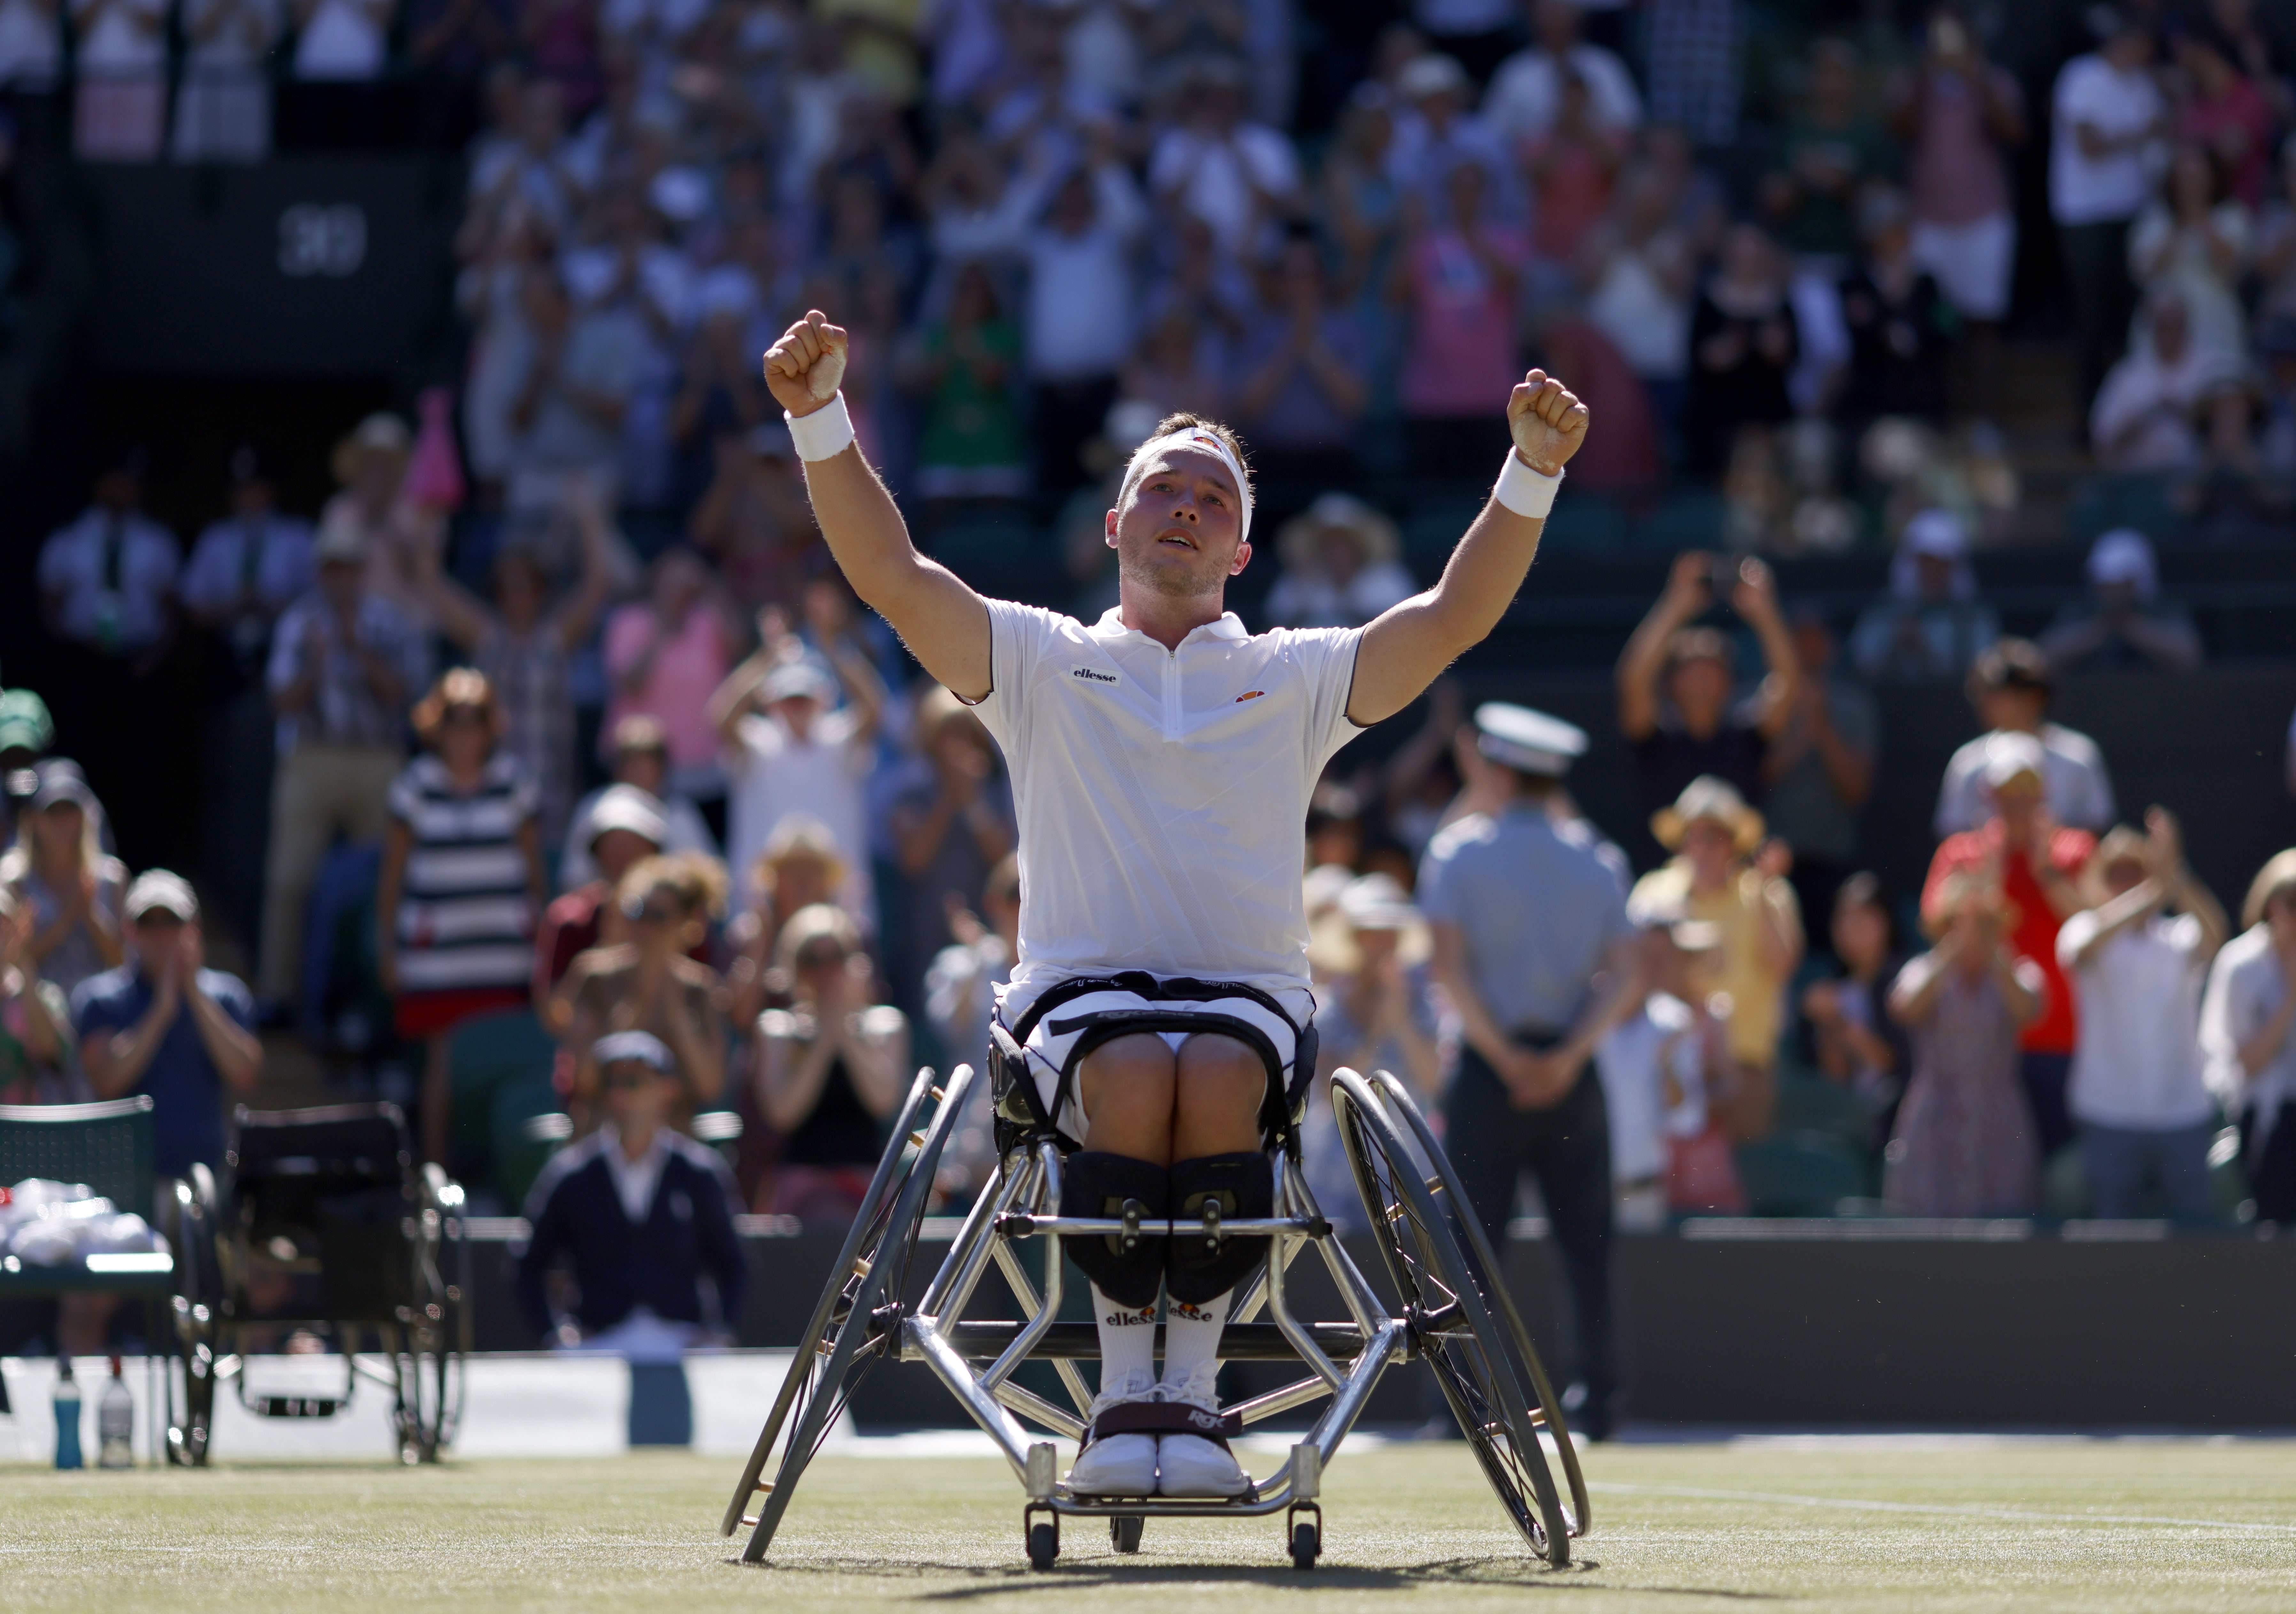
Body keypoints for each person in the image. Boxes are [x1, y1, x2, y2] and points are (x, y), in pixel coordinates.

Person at [760, 301, 1590, 1492]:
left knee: (1200, 1068)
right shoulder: (1039, 659)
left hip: (1250, 1008)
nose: (1187, 505)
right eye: (1163, 488)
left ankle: (1187, 1402)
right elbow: (892, 577)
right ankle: (1125, 1401)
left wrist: (1533, 471)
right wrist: (819, 416)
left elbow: (1452, 619)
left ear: (1243, 552)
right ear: (1113, 525)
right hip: (1070, 1008)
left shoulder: (1292, 675)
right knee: (1144, 1067)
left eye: (1213, 497)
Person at [1419, 704, 1639, 1438]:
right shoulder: (1599, 859)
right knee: (1587, 1247)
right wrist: (1568, 1056)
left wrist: (1506, 1057)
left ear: (1501, 769)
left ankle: (1466, 1408)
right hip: (1570, 1071)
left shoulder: (1457, 854)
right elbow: (1624, 975)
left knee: (1471, 1246)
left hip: (1490, 1070)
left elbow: (1448, 970)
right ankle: (1598, 1403)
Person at [378, 669, 547, 1165]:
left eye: (475, 720)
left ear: (491, 725)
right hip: (439, 959)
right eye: (454, 719)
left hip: (504, 954)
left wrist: (542, 945)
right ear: (438, 724)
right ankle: (437, 1174)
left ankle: (494, 1168)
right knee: (442, 1068)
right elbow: (391, 880)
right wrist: (388, 949)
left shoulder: (517, 784)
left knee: (501, 1061)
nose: (464, 731)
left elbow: (536, 873)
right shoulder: (414, 787)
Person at [261, 518, 429, 1010]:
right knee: (290, 878)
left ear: (363, 571)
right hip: (312, 757)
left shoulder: (390, 622)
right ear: (320, 572)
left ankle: (372, 995)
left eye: (350, 567)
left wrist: (358, 649)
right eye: (332, 568)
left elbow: (408, 696)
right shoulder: (298, 623)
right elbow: (281, 701)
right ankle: (278, 990)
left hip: (379, 759)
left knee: (383, 880)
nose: (342, 578)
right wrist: (318, 662)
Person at [515, 1029, 749, 1353]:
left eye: (635, 1083)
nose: (623, 1096)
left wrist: (719, 1332)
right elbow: (526, 1265)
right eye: (615, 1084)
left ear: (667, 1090)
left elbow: (735, 1265)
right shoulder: (572, 1174)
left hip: (681, 1346)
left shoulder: (699, 1173)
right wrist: (556, 1337)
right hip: (600, 1346)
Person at [1923, 732, 2096, 1161]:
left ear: (2045, 792)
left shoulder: (2075, 850)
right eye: (2007, 792)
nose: (2017, 802)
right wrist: (1991, 872)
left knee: (2059, 1169)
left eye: (2027, 790)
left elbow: (2095, 929)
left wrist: (2048, 873)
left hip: (2061, 1040)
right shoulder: (1961, 854)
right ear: (1987, 795)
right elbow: (1938, 927)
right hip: (1984, 1046)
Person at [416, 489, 613, 849]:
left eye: (524, 586)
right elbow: (432, 585)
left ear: (540, 591)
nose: (516, 595)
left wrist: (588, 520)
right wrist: (434, 528)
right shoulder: (488, 639)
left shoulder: (554, 639)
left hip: (551, 792)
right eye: (507, 587)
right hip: (494, 793)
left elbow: (597, 584)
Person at [2059, 813, 2229, 1220]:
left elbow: (2216, 936)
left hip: (2182, 1114)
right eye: (2115, 873)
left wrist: (2177, 875)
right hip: (2108, 1115)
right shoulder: (2085, 930)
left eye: (2136, 872)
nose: (2126, 881)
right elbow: (2078, 951)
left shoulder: (2178, 935)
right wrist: (2156, 887)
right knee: (2115, 1247)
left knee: (2193, 1242)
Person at [1629, 776, 1803, 1142]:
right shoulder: (1653, 892)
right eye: (1694, 836)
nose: (1703, 847)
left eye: (1716, 836)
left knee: (1736, 1191)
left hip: (1744, 1071)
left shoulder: (1766, 892)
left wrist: (1764, 890)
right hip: (1664, 1068)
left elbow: (1784, 964)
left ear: (1734, 844)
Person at [35, 452, 181, 868]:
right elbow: (49, 603)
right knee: (81, 769)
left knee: (142, 774)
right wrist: (74, 651)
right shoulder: (69, 539)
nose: (124, 490)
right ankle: (75, 868)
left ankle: (142, 871)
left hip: (138, 669)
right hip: (85, 666)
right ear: (100, 484)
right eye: (116, 480)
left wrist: (151, 660)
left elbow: (172, 611)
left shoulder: (157, 541)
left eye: (131, 482)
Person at [74, 870, 262, 1176]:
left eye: (172, 922)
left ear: (194, 929)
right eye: (149, 923)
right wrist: (162, 1009)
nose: (161, 936)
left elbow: (245, 1074)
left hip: (205, 1178)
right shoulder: (99, 999)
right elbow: (106, 1080)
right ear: (129, 930)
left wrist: (193, 994)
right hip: (124, 1181)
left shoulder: (228, 996)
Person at [710, 596, 884, 916]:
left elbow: (875, 709)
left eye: (804, 698)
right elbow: (721, 717)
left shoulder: (839, 740)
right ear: (771, 703)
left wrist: (833, 646)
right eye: (789, 699)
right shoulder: (758, 743)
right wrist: (767, 656)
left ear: (824, 700)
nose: (797, 707)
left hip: (843, 913)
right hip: (761, 913)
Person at [1884, 871, 2044, 1217]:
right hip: (1934, 1118)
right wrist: (1952, 948)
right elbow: (1904, 1008)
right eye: (1957, 920)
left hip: (1998, 1117)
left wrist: (1995, 953)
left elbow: (2028, 1010)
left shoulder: (2017, 971)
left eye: (1983, 922)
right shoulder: (1924, 968)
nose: (1971, 932)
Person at [1300, 873, 1446, 1231]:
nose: (1381, 943)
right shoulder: (1329, 1007)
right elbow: (1328, 1092)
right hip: (1340, 1170)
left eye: (1389, 933)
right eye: (1370, 932)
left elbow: (1434, 1081)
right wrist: (1377, 1030)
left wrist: (1402, 1023)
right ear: (1354, 939)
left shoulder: (1423, 1004)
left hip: (1408, 1169)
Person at [753, 902, 909, 1223]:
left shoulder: (885, 1026)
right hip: (798, 1188)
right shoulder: (777, 1030)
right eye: (811, 959)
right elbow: (782, 1113)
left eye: (836, 957)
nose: (825, 972)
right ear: (792, 968)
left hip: (866, 1182)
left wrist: (844, 1031)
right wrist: (825, 1036)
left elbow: (883, 1102)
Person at [1616, 550, 1800, 817]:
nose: (1702, 680)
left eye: (1712, 670)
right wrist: (1675, 606)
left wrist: (1765, 613)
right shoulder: (1654, 738)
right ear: (1671, 683)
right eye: (1692, 670)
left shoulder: (1748, 737)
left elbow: (1788, 683)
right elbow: (1633, 681)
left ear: (1729, 682)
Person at [554, 853, 728, 1132]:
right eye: (637, 911)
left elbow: (710, 1087)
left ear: (686, 925)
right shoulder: (592, 975)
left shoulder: (701, 987)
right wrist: (638, 1004)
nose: (645, 926)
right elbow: (586, 1080)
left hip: (675, 1144)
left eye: (659, 916)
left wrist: (676, 1013)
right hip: (603, 1138)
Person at [2049, 9, 2167, 416]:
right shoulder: (2081, 76)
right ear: (2123, 43)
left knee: (2127, 321)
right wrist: (2140, 133)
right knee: (2091, 319)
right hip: (2084, 216)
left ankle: (2123, 414)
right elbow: (2089, 146)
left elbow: (2160, 141)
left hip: (2132, 215)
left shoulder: (2141, 84)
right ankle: (2087, 417)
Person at [1896, 5, 2025, 334]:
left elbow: (2014, 133)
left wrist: (1977, 80)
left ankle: (1984, 389)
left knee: (1983, 320)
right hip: (1929, 220)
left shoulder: (1994, 79)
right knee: (1932, 319)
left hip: (1984, 219)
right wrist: (1925, 78)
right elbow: (1898, 130)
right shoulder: (1913, 81)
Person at [888, 686, 1014, 1015]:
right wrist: (949, 796)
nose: (958, 742)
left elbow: (1005, 860)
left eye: (966, 733)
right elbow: (913, 860)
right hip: (926, 933)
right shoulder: (913, 795)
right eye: (949, 733)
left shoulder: (999, 793)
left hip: (987, 930)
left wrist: (972, 800)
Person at [1760, 609, 1876, 926]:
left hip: (1834, 859)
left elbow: (1856, 790)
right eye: (1799, 641)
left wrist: (1822, 726)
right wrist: (1801, 738)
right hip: (1771, 860)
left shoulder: (1854, 707)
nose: (1808, 651)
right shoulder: (1762, 703)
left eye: (1816, 641)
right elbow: (1752, 781)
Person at [1934, 639, 2116, 837]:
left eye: (1999, 694)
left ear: (2035, 696)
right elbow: (1953, 838)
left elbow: (2097, 829)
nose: (1985, 704)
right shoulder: (1967, 762)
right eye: (1983, 694)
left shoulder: (2080, 755)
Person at [2201, 850, 2296, 1223]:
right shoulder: (2239, 964)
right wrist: (2291, 994)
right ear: (2271, 905)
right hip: (2260, 1123)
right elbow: (2248, 1063)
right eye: (2291, 903)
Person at [922, 854, 1021, 1199]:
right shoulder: (961, 964)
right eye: (1016, 895)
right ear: (994, 903)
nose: (1024, 910)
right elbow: (949, 1029)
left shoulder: (1065, 972)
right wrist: (979, 959)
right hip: (967, 1156)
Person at [1799, 871, 1912, 1145]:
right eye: (1844, 918)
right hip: (1855, 1127)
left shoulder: (1908, 980)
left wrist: (1837, 1021)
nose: (1851, 928)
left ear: (1886, 922)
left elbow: (1889, 1062)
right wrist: (1824, 1024)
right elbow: (1835, 1079)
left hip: (1901, 1127)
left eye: (1863, 917)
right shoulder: (1835, 988)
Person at [534, 782, 666, 1012]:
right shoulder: (567, 919)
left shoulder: (677, 917)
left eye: (633, 840)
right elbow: (552, 1011)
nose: (622, 852)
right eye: (613, 841)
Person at [0, 765, 127, 1005]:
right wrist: (65, 922)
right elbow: (10, 964)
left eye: (70, 810)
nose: (62, 821)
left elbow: (124, 963)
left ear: (83, 816)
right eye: (52, 811)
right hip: (36, 1017)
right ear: (34, 819)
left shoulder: (112, 878)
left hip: (99, 1015)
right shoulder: (13, 881)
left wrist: (90, 917)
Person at [558, 715, 720, 893]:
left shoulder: (680, 813)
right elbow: (573, 879)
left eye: (646, 764)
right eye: (632, 763)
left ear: (661, 768)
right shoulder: (592, 807)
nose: (639, 772)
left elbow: (702, 878)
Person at [1847, 508, 2001, 684]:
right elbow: (1860, 668)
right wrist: (1897, 645)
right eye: (1926, 563)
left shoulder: (1974, 616)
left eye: (1942, 564)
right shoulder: (1886, 609)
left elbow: (1985, 678)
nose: (1933, 572)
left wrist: (1926, 653)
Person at [2037, 528, 2204, 675]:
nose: (2113, 592)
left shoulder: (2166, 609)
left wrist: (2134, 628)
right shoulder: (2079, 612)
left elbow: (2191, 659)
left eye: (2122, 583)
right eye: (2106, 584)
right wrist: (2096, 631)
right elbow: (2042, 660)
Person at [1482, 0, 1642, 152]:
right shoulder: (1514, 73)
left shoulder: (1605, 66)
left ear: (1578, 20)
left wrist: (1581, 128)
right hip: (1528, 173)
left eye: (1561, 14)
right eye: (1549, 15)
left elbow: (1630, 125)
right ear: (1534, 21)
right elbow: (1494, 135)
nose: (1556, 22)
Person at [1262, 492, 1416, 630]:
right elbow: (1273, 628)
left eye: (1344, 542)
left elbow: (1408, 629)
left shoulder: (1388, 577)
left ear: (1358, 545)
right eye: (1329, 543)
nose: (1337, 550)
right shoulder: (1297, 581)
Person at [0, 885, 77, 1104]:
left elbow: (50, 1051)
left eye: (3, 924)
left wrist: (23, 958)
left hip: (29, 1135)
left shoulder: (46, 996)